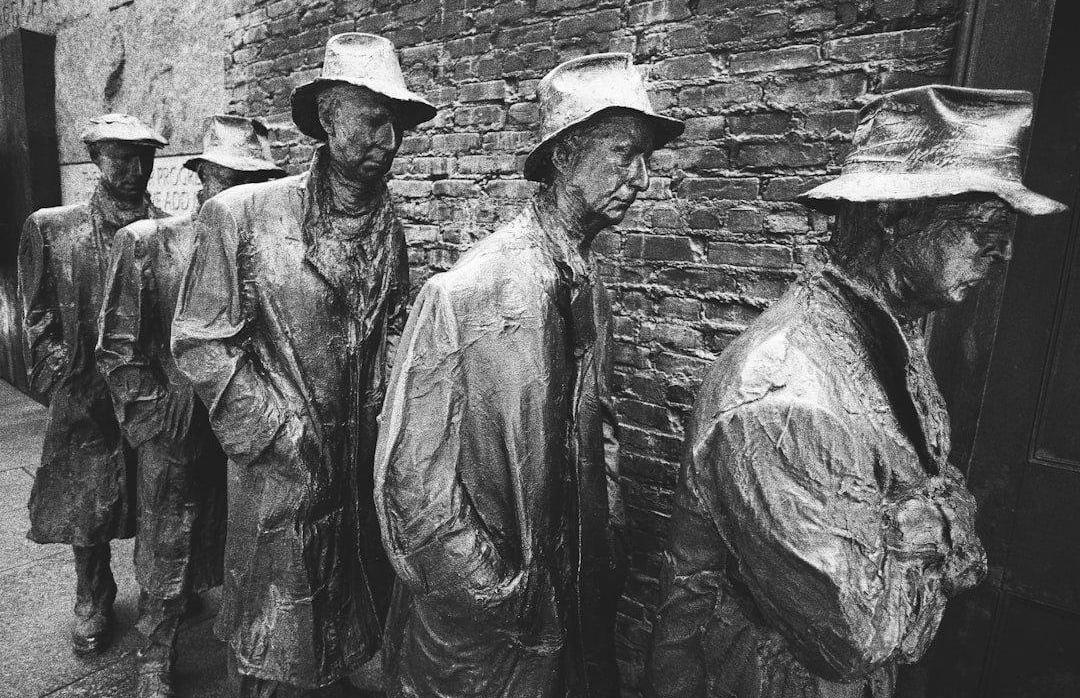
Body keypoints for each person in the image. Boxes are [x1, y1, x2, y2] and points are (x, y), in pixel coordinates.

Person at [644, 85, 1066, 698]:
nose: (1001, 251)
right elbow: (854, 636)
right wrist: (943, 528)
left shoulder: (888, 343)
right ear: (893, 215)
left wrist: (911, 529)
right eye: (981, 223)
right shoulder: (785, 398)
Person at [374, 53, 684, 698]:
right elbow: (412, 479)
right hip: (488, 623)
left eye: (646, 158)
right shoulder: (469, 293)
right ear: (566, 154)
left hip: (568, 593)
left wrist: (610, 531)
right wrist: (488, 590)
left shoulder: (582, 278)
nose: (642, 179)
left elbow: (595, 424)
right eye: (625, 154)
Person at [171, 34, 435, 698]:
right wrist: (277, 435)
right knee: (267, 629)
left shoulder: (388, 224)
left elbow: (388, 327)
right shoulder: (242, 216)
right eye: (374, 119)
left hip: (359, 462)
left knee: (345, 608)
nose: (391, 141)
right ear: (328, 116)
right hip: (278, 472)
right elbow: (201, 343)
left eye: (397, 124)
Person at [96, 114, 285, 698]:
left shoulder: (265, 248)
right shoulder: (148, 243)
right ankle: (156, 648)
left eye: (251, 184)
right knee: (167, 536)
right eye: (227, 180)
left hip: (246, 419)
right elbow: (118, 349)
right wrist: (159, 405)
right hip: (174, 426)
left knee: (249, 537)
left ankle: (253, 643)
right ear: (202, 178)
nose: (236, 196)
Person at [18, 113, 168, 656]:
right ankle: (93, 594)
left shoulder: (168, 227)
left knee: (158, 495)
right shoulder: (53, 228)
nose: (135, 167)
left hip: (147, 389)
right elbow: (35, 316)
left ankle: (163, 590)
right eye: (121, 155)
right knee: (88, 503)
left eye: (144, 155)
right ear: (94, 157)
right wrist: (59, 371)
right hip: (84, 389)